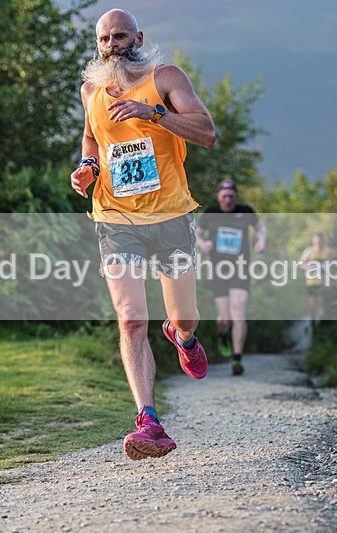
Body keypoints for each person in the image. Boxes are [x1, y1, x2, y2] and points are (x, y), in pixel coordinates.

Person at [69, 9, 216, 461]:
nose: (113, 44)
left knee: (184, 316)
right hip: (115, 218)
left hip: (170, 215)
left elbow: (206, 133)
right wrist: (88, 166)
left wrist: (153, 113)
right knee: (131, 319)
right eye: (105, 38)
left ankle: (183, 336)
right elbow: (92, 137)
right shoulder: (91, 90)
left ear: (138, 37)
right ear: (98, 44)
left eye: (120, 36)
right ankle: (148, 420)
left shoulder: (165, 77)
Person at [195, 180, 265, 376]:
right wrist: (203, 244)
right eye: (224, 196)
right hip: (218, 270)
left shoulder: (245, 211)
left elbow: (260, 229)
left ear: (236, 197)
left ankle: (237, 358)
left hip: (240, 268)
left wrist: (261, 241)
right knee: (225, 318)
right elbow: (197, 235)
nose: (228, 199)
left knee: (238, 310)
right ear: (219, 197)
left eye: (231, 196)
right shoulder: (210, 213)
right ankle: (222, 335)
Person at [299, 233, 330, 329]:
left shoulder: (326, 251)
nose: (318, 242)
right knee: (313, 303)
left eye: (320, 240)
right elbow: (301, 264)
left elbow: (330, 264)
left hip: (323, 281)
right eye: (316, 240)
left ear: (322, 241)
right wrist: (308, 268)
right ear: (313, 241)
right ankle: (312, 319)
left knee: (321, 301)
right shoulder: (309, 251)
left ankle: (321, 321)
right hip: (311, 281)